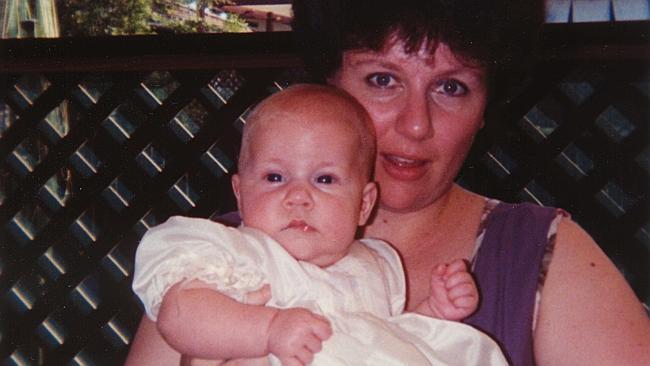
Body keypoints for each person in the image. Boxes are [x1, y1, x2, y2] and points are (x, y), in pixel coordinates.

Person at [126, 1, 650, 365]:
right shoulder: (219, 260)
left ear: (485, 107)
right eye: (382, 79)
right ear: (327, 82)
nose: (415, 123)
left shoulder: (541, 257)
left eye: (451, 86)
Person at [130, 84, 507, 366]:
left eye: (324, 180)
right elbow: (178, 314)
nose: (298, 196)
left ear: (364, 205)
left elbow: (387, 343)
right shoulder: (233, 254)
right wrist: (267, 330)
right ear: (240, 193)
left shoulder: (376, 265)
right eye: (275, 177)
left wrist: (433, 313)